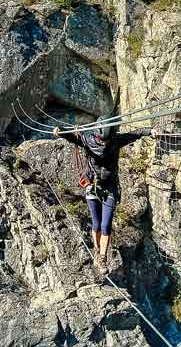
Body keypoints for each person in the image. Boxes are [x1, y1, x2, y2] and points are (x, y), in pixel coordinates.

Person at [54, 117, 158, 273]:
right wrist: (60, 131)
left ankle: (102, 258)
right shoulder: (87, 139)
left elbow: (135, 134)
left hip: (109, 187)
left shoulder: (116, 140)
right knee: (96, 224)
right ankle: (97, 251)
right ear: (96, 135)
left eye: (107, 141)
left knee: (106, 225)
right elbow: (72, 137)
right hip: (93, 185)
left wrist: (150, 131)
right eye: (102, 140)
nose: (104, 144)